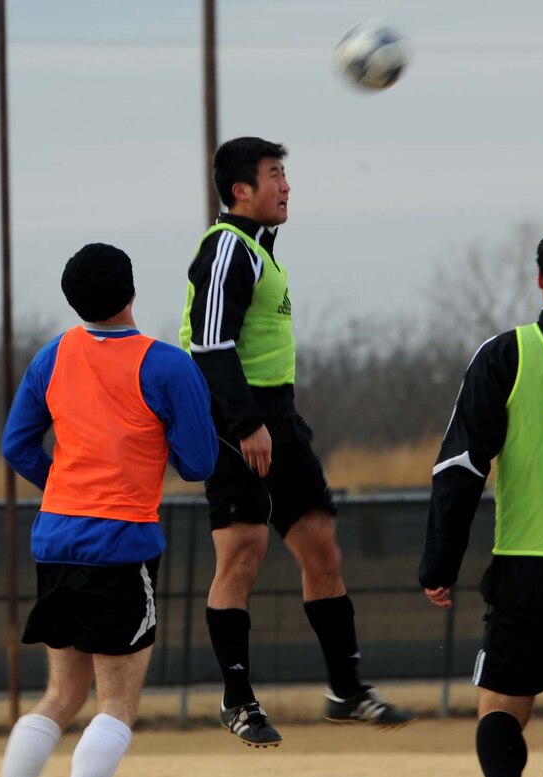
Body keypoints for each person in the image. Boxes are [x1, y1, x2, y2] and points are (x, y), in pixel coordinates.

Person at [178, 136, 415, 746]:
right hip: (236, 420)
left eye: (285, 175)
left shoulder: (262, 252)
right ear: (241, 190)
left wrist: (268, 420)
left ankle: (346, 689)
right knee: (244, 553)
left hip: (278, 416)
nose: (286, 187)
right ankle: (238, 701)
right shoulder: (228, 248)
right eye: (275, 175)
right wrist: (244, 423)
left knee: (319, 545)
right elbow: (208, 344)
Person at [0, 243, 218, 777]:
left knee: (59, 695)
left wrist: (67, 485)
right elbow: (198, 463)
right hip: (121, 543)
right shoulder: (168, 364)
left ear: (74, 302)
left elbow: (17, 446)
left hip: (55, 539)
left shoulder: (52, 355)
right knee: (115, 707)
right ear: (132, 290)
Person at [420, 220, 543, 777]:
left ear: (539, 279)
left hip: (525, 568)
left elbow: (461, 467)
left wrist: (439, 562)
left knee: (501, 707)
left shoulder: (505, 354)